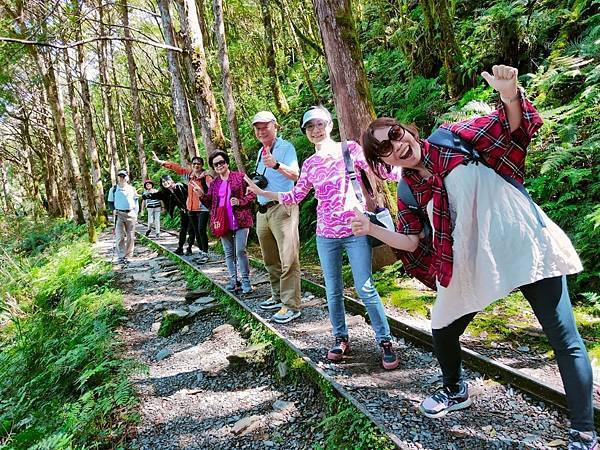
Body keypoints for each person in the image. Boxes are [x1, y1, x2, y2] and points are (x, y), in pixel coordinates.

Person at [353, 65, 596, 449]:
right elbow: (412, 243)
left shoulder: (453, 138)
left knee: (564, 337)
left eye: (394, 135)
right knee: (442, 324)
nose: (396, 146)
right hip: (471, 263)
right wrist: (370, 230)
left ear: (407, 131)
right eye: (384, 149)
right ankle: (455, 389)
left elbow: (510, 130)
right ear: (385, 162)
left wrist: (509, 95)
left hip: (523, 244)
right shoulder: (408, 192)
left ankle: (583, 432)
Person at [245, 106, 400, 369]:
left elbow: (377, 169)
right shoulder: (310, 163)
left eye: (320, 125)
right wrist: (263, 192)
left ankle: (384, 341)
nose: (316, 130)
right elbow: (296, 196)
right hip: (325, 235)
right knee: (333, 290)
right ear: (306, 132)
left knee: (365, 287)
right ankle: (340, 338)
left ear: (330, 125)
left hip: (355, 229)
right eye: (310, 127)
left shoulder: (349, 149)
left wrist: (401, 168)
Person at [251, 111, 302, 323]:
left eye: (265, 127)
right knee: (270, 258)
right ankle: (277, 296)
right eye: (258, 128)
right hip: (263, 210)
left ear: (275, 127)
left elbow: (296, 175)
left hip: (283, 208)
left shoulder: (285, 147)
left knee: (288, 257)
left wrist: (276, 165)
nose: (261, 131)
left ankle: (291, 305)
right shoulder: (260, 152)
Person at [196, 151, 255, 294]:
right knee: (229, 253)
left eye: (221, 162)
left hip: (241, 219)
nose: (219, 165)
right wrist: (201, 195)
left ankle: (246, 281)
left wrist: (240, 201)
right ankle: (234, 280)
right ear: (213, 167)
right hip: (222, 222)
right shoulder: (215, 183)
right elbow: (210, 203)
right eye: (216, 164)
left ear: (227, 162)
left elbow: (253, 192)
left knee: (240, 251)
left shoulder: (240, 177)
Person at [152, 152, 212, 263]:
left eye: (198, 164)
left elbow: (213, 189)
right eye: (194, 164)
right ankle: (201, 251)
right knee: (196, 231)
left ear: (202, 165)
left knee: (201, 230)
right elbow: (175, 167)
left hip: (203, 208)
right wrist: (160, 162)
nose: (196, 166)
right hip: (191, 209)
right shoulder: (189, 175)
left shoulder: (206, 177)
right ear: (192, 165)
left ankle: (205, 253)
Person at [143, 175, 192, 256]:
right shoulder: (167, 192)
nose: (165, 183)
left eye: (166, 180)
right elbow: (157, 195)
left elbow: (189, 196)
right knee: (183, 230)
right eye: (163, 182)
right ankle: (180, 248)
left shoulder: (179, 186)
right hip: (183, 212)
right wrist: (146, 196)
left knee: (191, 230)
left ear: (171, 180)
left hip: (191, 211)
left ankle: (189, 248)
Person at [107, 169, 139, 264]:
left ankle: (129, 255)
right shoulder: (113, 189)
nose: (122, 178)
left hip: (130, 213)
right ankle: (121, 256)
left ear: (127, 177)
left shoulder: (132, 189)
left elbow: (136, 202)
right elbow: (110, 202)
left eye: (124, 176)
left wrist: (136, 214)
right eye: (120, 176)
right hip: (119, 214)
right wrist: (113, 210)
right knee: (119, 236)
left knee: (131, 236)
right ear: (118, 177)